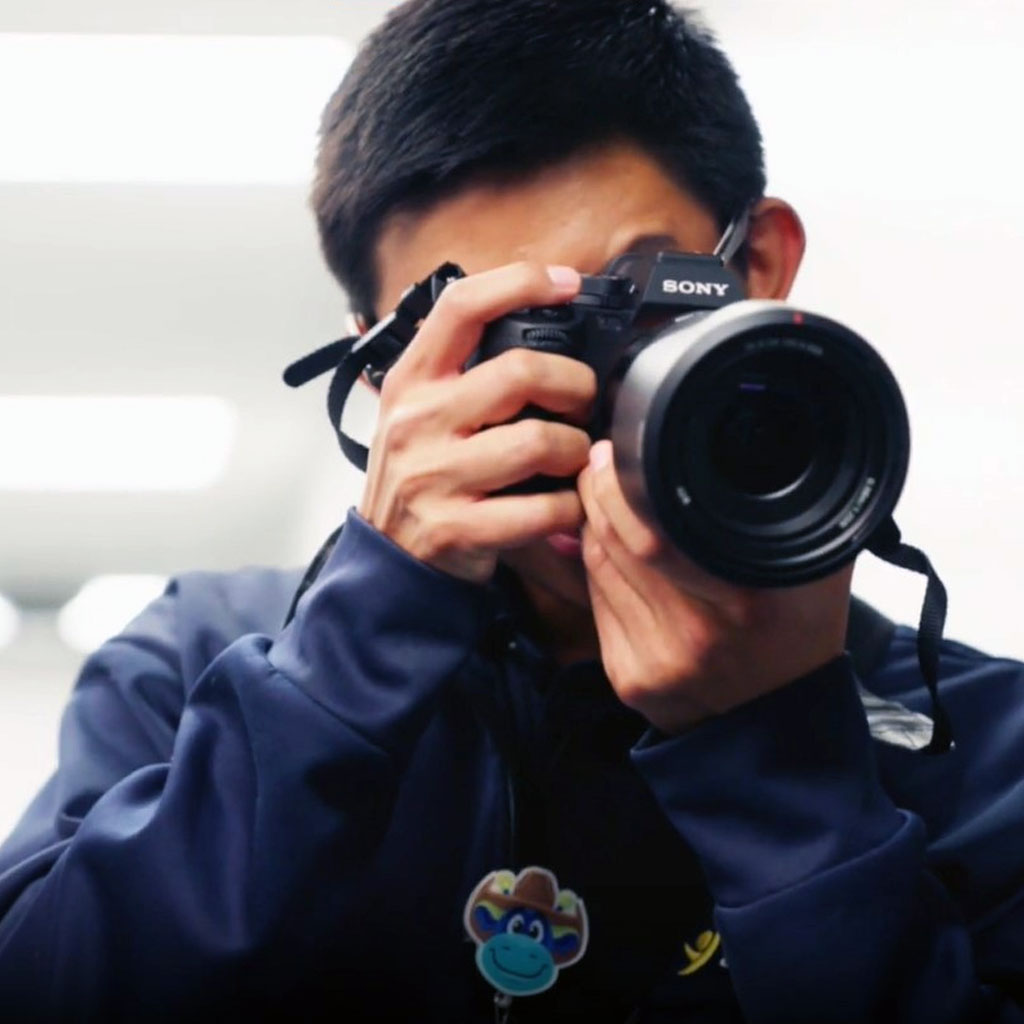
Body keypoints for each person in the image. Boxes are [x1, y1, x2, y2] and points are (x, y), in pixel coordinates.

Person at [1, 0, 1023, 1020]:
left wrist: (774, 753)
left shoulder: (982, 746)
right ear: (381, 375)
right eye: (501, 334)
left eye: (641, 302)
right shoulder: (198, 661)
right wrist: (353, 657)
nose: (580, 387)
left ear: (755, 268)